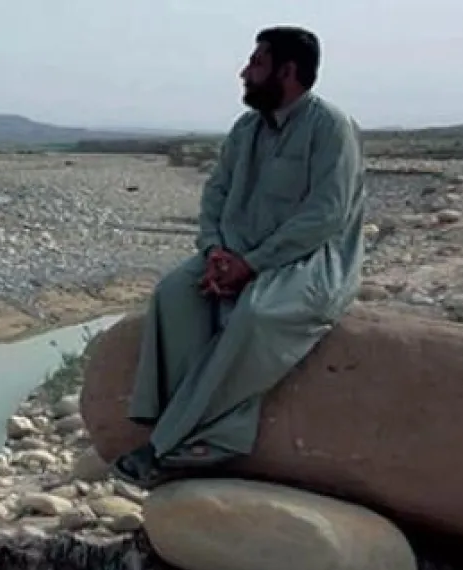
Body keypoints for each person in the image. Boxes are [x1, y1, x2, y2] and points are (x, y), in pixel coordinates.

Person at [113, 25, 367, 488]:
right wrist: (214, 252)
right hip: (234, 253)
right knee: (174, 294)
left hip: (307, 259)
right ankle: (173, 417)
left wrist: (253, 264)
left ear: (287, 72)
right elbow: (216, 195)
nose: (244, 73)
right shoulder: (246, 128)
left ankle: (179, 445)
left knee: (257, 315)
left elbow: (325, 216)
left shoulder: (330, 127)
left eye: (256, 63)